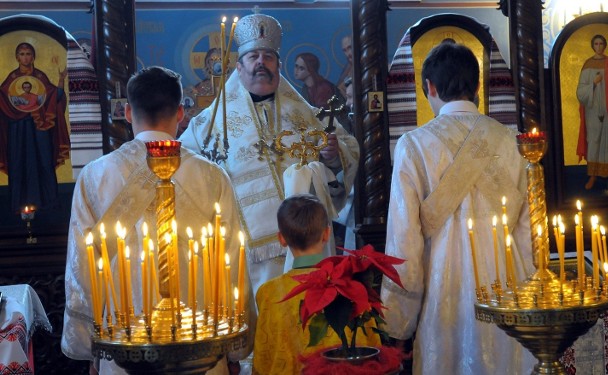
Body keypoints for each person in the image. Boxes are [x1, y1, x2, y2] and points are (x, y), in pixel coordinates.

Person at [62, 66, 252, 375]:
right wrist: (235, 349)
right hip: (201, 346)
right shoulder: (212, 176)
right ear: (181, 113)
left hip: (121, 347)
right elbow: (233, 261)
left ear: (127, 111)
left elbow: (82, 266)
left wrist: (90, 348)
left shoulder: (95, 175)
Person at [179, 14, 359, 300]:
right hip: (243, 252)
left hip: (307, 245)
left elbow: (347, 153)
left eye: (268, 57)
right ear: (238, 68)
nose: (261, 63)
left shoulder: (308, 116)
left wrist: (335, 157)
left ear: (279, 66)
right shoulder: (208, 124)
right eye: (252, 56)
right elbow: (184, 169)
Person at [380, 42, 536, 374]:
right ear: (478, 87)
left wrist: (398, 323)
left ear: (429, 88)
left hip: (445, 293)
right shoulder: (513, 142)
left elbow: (403, 240)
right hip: (509, 295)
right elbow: (528, 232)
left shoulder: (413, 145)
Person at [253, 194, 379, 374]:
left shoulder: (268, 292)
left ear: (281, 239)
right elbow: (370, 348)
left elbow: (265, 356)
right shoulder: (351, 286)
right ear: (327, 233)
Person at [0, 42, 70, 212]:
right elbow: (3, 99)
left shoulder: (40, 77)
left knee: (44, 162)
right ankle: (17, 206)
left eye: (28, 53)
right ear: (17, 57)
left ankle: (51, 204)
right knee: (18, 163)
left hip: (40, 126)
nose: (25, 57)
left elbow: (55, 96)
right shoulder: (11, 79)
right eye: (22, 54)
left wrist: (61, 81)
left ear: (33, 57)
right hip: (18, 128)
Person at [576, 34, 608, 191]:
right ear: (593, 46)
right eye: (596, 44)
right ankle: (592, 175)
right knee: (594, 140)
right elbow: (580, 91)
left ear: (604, 45)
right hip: (592, 110)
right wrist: (594, 83)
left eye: (601, 44)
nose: (598, 46)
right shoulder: (587, 65)